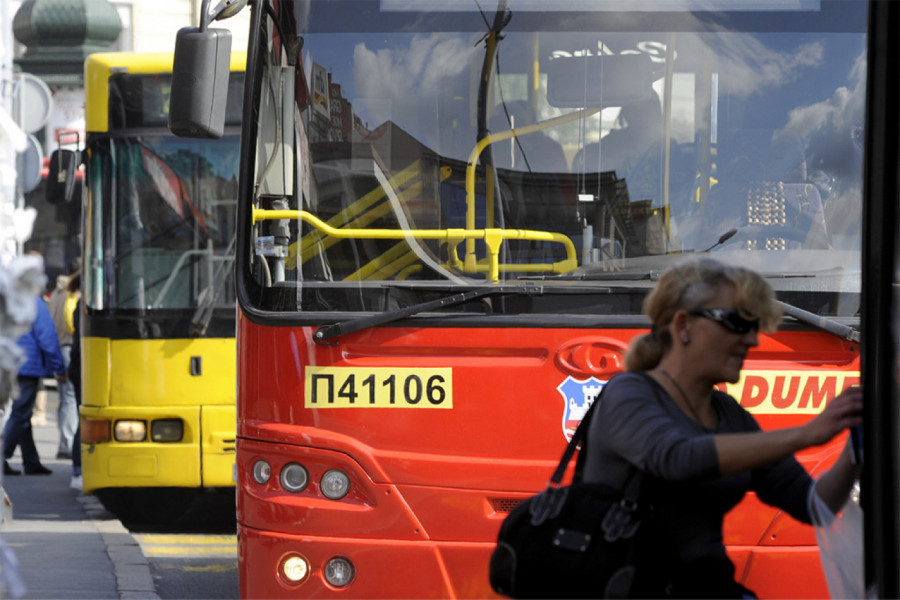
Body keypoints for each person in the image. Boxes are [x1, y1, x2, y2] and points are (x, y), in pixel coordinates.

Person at [583, 257, 862, 598]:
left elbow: (809, 503)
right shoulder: (630, 393)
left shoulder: (727, 412)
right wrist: (808, 433)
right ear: (683, 325)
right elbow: (677, 458)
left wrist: (857, 442)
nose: (751, 340)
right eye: (736, 323)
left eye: (754, 326)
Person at [3, 295, 68, 476]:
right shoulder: (34, 303)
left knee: (23, 414)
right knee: (20, 414)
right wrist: (59, 367)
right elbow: (46, 336)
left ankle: (31, 461)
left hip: (8, 363)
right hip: (26, 364)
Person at [46, 271, 80, 459]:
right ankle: (66, 443)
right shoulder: (71, 294)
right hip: (69, 346)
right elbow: (71, 324)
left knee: (63, 398)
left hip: (57, 347)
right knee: (70, 398)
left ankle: (64, 441)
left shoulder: (56, 294)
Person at [68, 295, 83, 491]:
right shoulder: (85, 306)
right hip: (82, 369)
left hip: (78, 367)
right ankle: (78, 470)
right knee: (83, 421)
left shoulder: (80, 304)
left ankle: (78, 470)